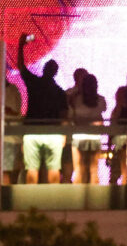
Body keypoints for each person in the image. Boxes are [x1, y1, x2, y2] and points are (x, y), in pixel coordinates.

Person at [17, 34, 67, 185]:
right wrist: (64, 135)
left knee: (32, 169)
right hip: (53, 133)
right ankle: (54, 201)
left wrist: (21, 46)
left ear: (44, 69)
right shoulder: (59, 92)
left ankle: (31, 201)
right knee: (53, 170)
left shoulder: (34, 83)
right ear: (56, 73)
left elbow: (21, 66)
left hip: (32, 130)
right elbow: (64, 114)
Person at [69, 73, 106, 184]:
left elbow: (71, 114)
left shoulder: (76, 100)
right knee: (94, 169)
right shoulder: (101, 100)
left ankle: (77, 198)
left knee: (79, 169)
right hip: (95, 136)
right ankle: (95, 198)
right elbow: (102, 113)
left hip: (79, 136)